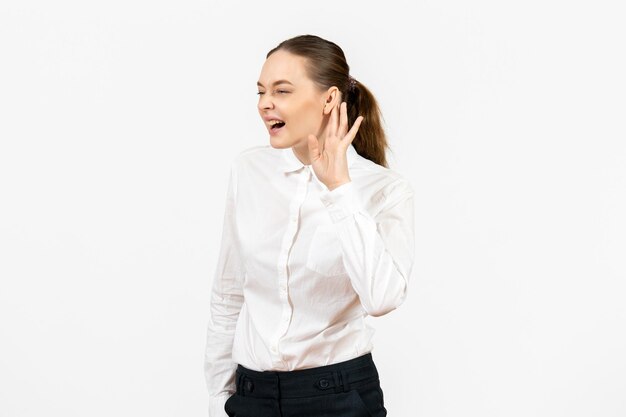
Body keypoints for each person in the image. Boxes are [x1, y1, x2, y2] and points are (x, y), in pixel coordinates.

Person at [204, 34, 415, 417]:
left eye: (282, 90)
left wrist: (339, 190)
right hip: (253, 395)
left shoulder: (385, 190)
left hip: (338, 398)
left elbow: (382, 298)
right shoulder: (248, 171)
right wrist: (220, 398)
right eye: (261, 91)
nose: (265, 103)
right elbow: (228, 292)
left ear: (329, 99)